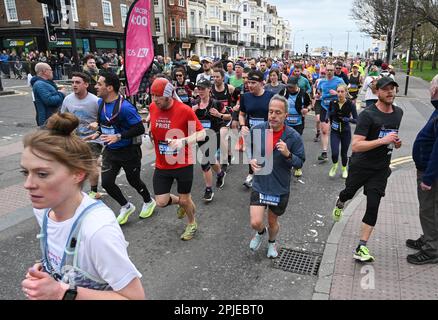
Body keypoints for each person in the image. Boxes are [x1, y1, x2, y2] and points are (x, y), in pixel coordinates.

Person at [20, 112, 145, 300]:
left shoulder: (97, 231)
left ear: (77, 174)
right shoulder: (44, 210)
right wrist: (45, 272)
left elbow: (135, 297)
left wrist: (61, 292)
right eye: (26, 172)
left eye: (42, 174)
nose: (28, 184)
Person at [332, 77, 403, 262]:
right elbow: (355, 146)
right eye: (386, 89)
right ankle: (341, 200)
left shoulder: (398, 113)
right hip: (361, 166)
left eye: (393, 89)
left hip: (380, 169)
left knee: (373, 205)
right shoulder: (368, 115)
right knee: (349, 192)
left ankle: (361, 246)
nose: (390, 92)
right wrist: (383, 141)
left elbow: (391, 137)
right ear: (377, 92)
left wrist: (396, 143)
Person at [86, 73, 156, 225]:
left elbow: (138, 128)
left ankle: (149, 201)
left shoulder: (125, 108)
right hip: (111, 151)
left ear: (109, 87)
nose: (96, 87)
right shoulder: (101, 103)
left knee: (133, 180)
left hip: (129, 151)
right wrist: (97, 133)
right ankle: (126, 206)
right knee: (106, 183)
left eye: (99, 84)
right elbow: (104, 124)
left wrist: (119, 136)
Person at [148, 77, 206, 241]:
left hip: (183, 162)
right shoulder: (153, 107)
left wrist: (183, 141)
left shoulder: (185, 110)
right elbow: (154, 126)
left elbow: (201, 133)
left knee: (185, 198)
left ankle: (192, 223)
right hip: (162, 164)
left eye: (158, 96)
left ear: (168, 95)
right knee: (161, 201)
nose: (154, 100)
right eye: (152, 95)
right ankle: (181, 202)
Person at [248, 95, 305, 258]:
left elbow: (300, 162)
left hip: (279, 187)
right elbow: (248, 146)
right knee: (255, 222)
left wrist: (288, 154)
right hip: (260, 183)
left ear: (286, 115)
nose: (273, 115)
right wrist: (251, 158)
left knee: (272, 221)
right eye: (270, 112)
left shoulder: (293, 137)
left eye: (278, 112)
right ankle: (260, 232)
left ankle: (272, 243)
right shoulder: (258, 130)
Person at [407, 75, 438, 265]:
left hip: (430, 173)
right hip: (428, 169)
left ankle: (432, 249)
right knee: (430, 208)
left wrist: (428, 178)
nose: (430, 90)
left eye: (431, 87)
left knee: (429, 209)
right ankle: (429, 238)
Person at [61, 72, 102, 199]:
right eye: (72, 82)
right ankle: (73, 191)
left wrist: (97, 124)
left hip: (93, 138)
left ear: (86, 84)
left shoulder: (95, 101)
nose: (74, 85)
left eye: (77, 82)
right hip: (75, 138)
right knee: (73, 166)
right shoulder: (68, 99)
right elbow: (63, 117)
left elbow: (104, 120)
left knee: (91, 164)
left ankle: (93, 191)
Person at [192, 79, 228, 201]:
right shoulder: (195, 104)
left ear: (209, 89)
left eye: (203, 88)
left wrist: (219, 114)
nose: (200, 91)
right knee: (211, 159)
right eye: (199, 88)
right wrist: (191, 112)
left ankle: (208, 190)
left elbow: (229, 115)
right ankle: (220, 174)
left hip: (215, 134)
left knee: (205, 160)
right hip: (201, 136)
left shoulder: (216, 103)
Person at [239, 70, 275, 188]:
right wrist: (243, 125)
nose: (249, 85)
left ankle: (268, 177)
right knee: (252, 155)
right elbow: (241, 114)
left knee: (266, 156)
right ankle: (251, 174)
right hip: (251, 132)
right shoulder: (245, 96)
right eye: (248, 82)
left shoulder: (270, 96)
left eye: (253, 83)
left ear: (261, 83)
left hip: (267, 132)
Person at [328, 84, 358, 179]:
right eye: (338, 91)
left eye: (342, 91)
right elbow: (329, 112)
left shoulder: (350, 104)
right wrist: (327, 118)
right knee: (334, 153)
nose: (340, 94)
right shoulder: (333, 102)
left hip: (345, 132)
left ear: (346, 92)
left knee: (344, 153)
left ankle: (344, 169)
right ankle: (335, 165)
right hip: (334, 131)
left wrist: (348, 119)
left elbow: (357, 120)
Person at [316, 64, 345, 161]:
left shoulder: (339, 81)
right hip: (324, 107)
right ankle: (324, 152)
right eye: (328, 70)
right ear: (325, 70)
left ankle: (338, 150)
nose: (329, 72)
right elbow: (319, 92)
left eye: (331, 70)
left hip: (336, 108)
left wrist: (337, 94)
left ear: (334, 71)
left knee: (337, 131)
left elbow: (347, 94)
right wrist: (318, 96)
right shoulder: (321, 81)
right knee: (324, 130)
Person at [30, 63, 66, 127]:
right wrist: (61, 93)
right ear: (44, 71)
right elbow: (49, 100)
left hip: (52, 118)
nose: (52, 71)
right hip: (47, 120)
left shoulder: (45, 83)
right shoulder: (39, 84)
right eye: (50, 69)